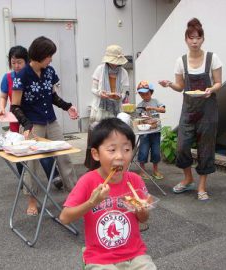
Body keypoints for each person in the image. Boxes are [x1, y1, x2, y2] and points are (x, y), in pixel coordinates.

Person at [60, 118, 157, 269]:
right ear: (96, 154)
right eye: (112, 150)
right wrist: (91, 202)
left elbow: (143, 220)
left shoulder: (135, 181)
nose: (120, 156)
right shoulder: (88, 181)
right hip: (99, 257)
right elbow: (64, 218)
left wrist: (142, 210)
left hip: (134, 254)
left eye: (126, 149)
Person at [10, 36, 79, 216]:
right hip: (32, 125)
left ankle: (75, 196)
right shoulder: (21, 76)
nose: (51, 59)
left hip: (51, 120)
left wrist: (68, 106)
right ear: (40, 55)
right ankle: (32, 201)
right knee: (31, 164)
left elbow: (52, 96)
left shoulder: (49, 71)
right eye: (49, 55)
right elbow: (15, 106)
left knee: (64, 156)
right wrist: (26, 124)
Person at [159, 18, 223, 201]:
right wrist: (170, 84)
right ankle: (188, 178)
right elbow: (180, 86)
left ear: (203, 39)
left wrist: (212, 89)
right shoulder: (181, 61)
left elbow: (219, 82)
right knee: (182, 146)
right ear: (186, 39)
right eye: (191, 37)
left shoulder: (212, 58)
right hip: (188, 109)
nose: (194, 41)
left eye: (198, 37)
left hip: (208, 110)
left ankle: (202, 186)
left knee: (206, 147)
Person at [0, 45, 63, 191]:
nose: (16, 66)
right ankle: (25, 180)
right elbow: (3, 96)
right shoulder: (8, 78)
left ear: (26, 61)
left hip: (34, 119)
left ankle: (55, 176)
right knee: (21, 154)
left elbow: (50, 95)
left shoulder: (35, 74)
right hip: (16, 119)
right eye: (13, 63)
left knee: (42, 150)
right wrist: (2, 107)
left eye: (19, 62)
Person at [84, 45, 129, 170]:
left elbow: (125, 91)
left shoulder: (123, 72)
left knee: (111, 137)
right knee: (96, 135)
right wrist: (100, 93)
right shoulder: (100, 69)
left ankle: (109, 165)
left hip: (115, 108)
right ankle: (93, 167)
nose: (115, 65)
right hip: (100, 108)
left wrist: (119, 95)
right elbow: (93, 88)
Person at [136, 80, 166, 180]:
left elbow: (163, 110)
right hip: (144, 132)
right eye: (142, 94)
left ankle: (155, 170)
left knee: (156, 151)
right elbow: (138, 118)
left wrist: (153, 108)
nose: (145, 96)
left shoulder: (156, 101)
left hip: (156, 131)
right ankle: (142, 171)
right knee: (143, 151)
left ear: (151, 92)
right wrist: (143, 117)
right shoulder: (140, 105)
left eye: (147, 93)